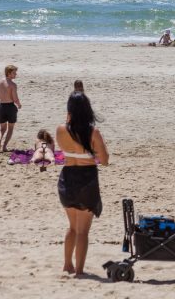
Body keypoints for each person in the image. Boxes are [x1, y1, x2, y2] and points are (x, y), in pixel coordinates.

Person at [56, 92, 109, 276]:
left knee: (72, 227)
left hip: (67, 178)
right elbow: (105, 160)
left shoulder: (61, 130)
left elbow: (64, 149)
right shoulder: (93, 132)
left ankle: (67, 265)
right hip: (86, 179)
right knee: (82, 231)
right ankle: (79, 270)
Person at [0, 65, 22, 152]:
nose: (16, 74)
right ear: (9, 73)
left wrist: (4, 96)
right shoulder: (13, 85)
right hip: (10, 107)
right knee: (10, 128)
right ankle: (4, 146)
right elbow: (15, 98)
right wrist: (19, 104)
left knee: (2, 128)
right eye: (14, 73)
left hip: (2, 107)